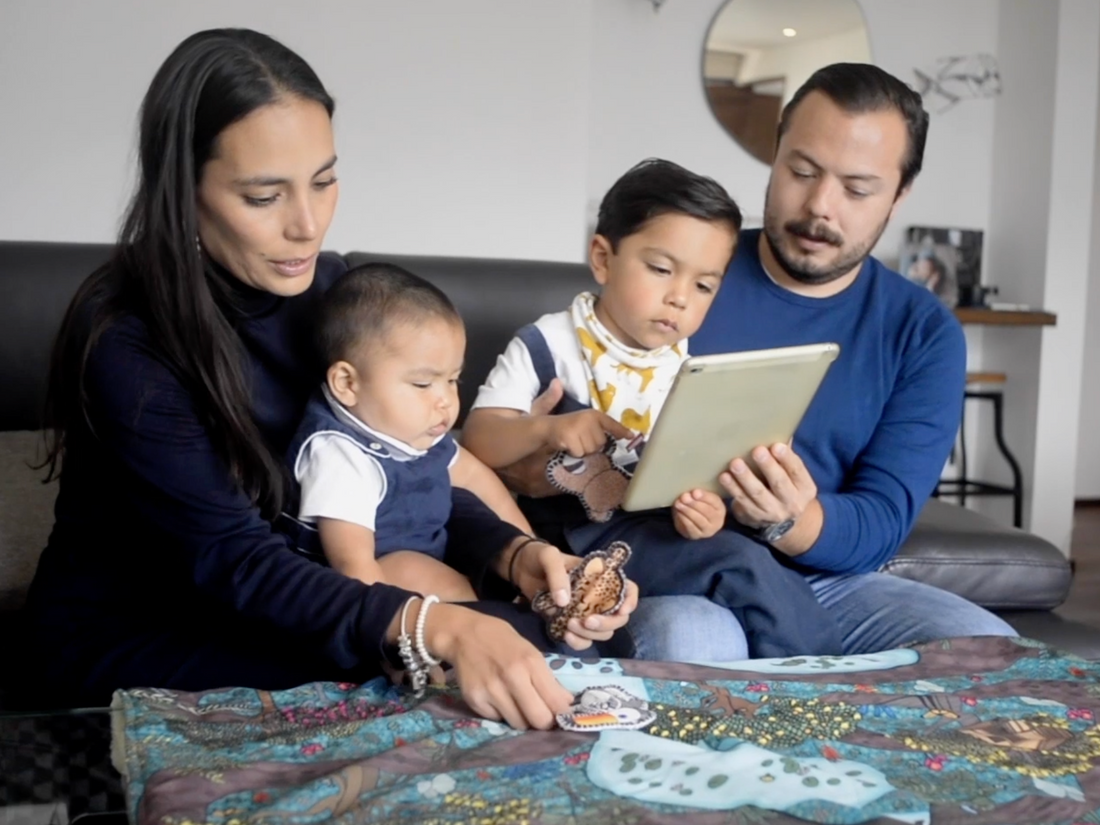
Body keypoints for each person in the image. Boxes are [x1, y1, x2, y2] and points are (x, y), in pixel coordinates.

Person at [21, 28, 637, 728]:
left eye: (323, 181)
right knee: (441, 673)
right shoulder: (127, 338)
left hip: (298, 598)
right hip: (145, 635)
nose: (307, 225)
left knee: (537, 641)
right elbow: (234, 561)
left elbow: (408, 474)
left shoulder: (337, 298)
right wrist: (437, 626)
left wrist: (517, 555)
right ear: (184, 190)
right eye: (263, 197)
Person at [497, 63, 1016, 658]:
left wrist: (791, 519)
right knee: (699, 643)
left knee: (992, 652)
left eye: (856, 188)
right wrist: (535, 456)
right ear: (775, 155)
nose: (820, 206)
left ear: (899, 194)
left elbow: (880, 523)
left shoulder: (922, 333)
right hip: (673, 565)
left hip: (827, 585)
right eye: (801, 171)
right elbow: (556, 449)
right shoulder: (676, 279)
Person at [462, 158, 843, 659]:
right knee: (738, 565)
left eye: (704, 285)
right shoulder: (549, 344)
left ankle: (804, 673)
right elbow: (477, 440)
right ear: (602, 258)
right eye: (661, 269)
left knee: (736, 553)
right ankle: (825, 675)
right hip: (568, 543)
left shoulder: (683, 370)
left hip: (646, 533)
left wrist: (702, 514)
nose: (680, 298)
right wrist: (548, 429)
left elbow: (686, 483)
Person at [282, 262, 540, 604]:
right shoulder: (339, 455)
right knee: (441, 586)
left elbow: (476, 476)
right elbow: (352, 565)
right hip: (352, 588)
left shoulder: (414, 428)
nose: (446, 401)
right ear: (347, 383)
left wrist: (531, 547)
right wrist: (391, 633)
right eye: (422, 384)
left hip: (426, 557)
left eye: (453, 380)